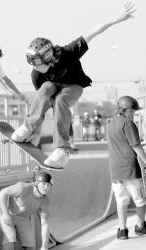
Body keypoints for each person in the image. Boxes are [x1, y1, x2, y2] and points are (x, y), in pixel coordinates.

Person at [11, 1, 136, 168]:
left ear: (48, 58)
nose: (35, 69)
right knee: (46, 89)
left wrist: (117, 19)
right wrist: (36, 131)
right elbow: (40, 106)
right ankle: (27, 128)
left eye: (38, 65)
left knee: (60, 101)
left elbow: (92, 33)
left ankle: (62, 150)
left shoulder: (67, 52)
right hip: (52, 88)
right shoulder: (36, 74)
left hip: (74, 86)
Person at [107, 96, 146, 240]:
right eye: (132, 111)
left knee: (121, 201)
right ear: (124, 110)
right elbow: (136, 145)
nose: (133, 113)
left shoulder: (110, 124)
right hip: (130, 168)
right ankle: (140, 227)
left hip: (115, 170)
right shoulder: (128, 123)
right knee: (141, 200)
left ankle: (122, 230)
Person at [0, 171, 53, 250]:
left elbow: (45, 224)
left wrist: (44, 246)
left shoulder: (45, 200)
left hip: (23, 217)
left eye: (49, 185)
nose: (46, 187)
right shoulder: (22, 187)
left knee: (31, 244)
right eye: (44, 184)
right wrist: (6, 213)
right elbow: (3, 192)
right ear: (36, 183)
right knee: (10, 240)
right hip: (6, 213)